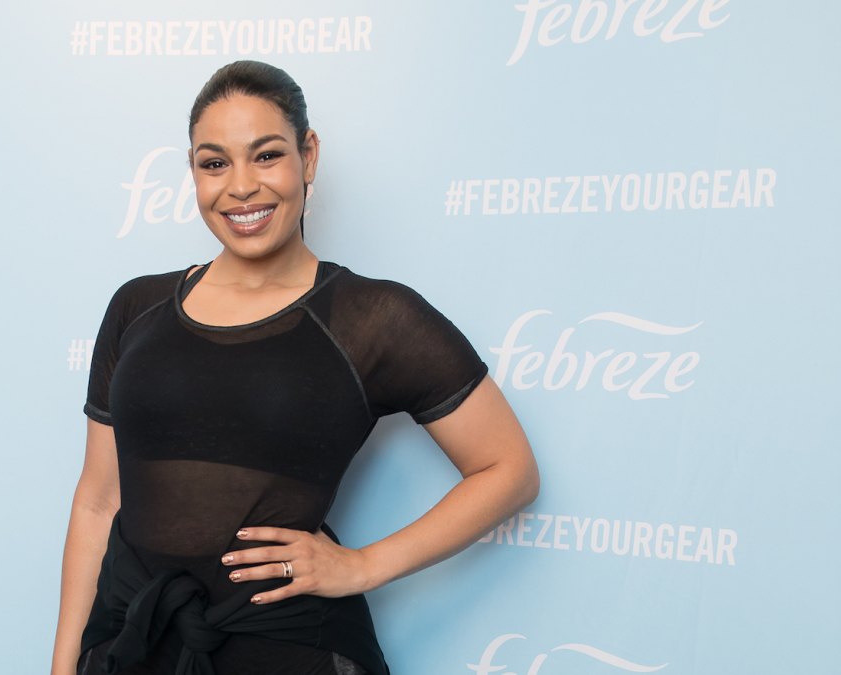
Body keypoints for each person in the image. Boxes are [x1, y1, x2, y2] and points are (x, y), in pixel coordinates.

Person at [51, 60, 539, 675]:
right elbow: (98, 501)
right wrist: (63, 666)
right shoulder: (136, 307)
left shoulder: (371, 317)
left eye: (266, 156)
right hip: (131, 643)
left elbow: (510, 470)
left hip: (287, 649)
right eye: (214, 163)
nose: (241, 187)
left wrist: (365, 565)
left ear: (308, 157)